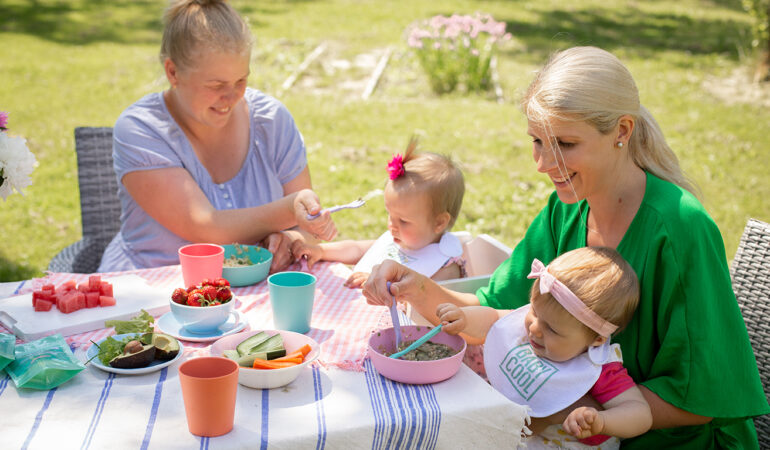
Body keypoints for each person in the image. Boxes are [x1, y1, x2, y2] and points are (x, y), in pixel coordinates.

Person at [362, 46, 769, 448]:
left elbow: (702, 399)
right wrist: (415, 286)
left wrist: (570, 411)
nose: (542, 163)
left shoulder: (681, 228)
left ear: (622, 132)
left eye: (566, 144)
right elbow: (494, 315)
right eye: (537, 141)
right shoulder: (565, 208)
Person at [98, 0, 336, 273]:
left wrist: (290, 238)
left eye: (240, 81)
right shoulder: (141, 129)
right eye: (216, 85)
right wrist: (290, 209)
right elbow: (204, 225)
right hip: (153, 288)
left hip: (255, 288)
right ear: (172, 72)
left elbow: (305, 230)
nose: (232, 97)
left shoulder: (272, 121)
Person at [438, 247, 652, 448]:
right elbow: (493, 318)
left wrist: (602, 421)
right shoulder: (535, 322)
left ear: (596, 339)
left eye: (552, 330)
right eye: (534, 311)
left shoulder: (599, 369)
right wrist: (465, 318)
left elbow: (641, 414)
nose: (535, 329)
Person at [291, 137, 466, 288]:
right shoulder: (400, 240)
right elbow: (356, 249)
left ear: (439, 223)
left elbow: (427, 302)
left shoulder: (445, 267)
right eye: (390, 214)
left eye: (403, 221)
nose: (392, 225)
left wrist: (382, 286)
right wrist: (320, 251)